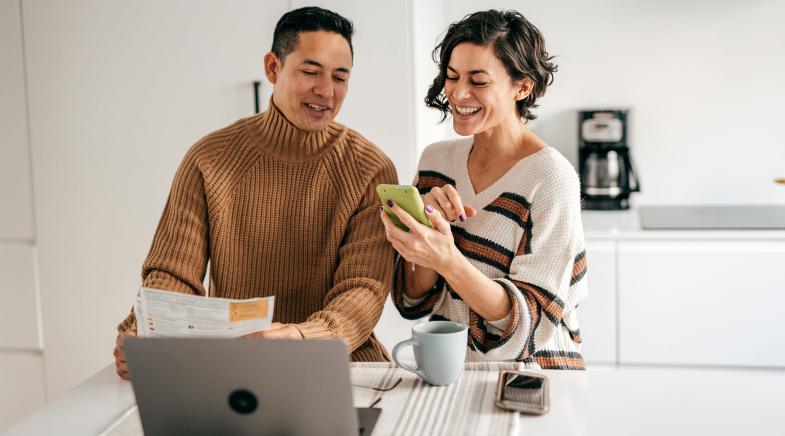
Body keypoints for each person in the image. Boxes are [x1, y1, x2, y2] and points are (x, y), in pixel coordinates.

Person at [114, 6, 398, 379]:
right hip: (236, 367)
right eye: (310, 71)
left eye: (339, 77)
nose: (326, 91)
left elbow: (363, 290)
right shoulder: (208, 159)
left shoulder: (369, 169)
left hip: (340, 366)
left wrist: (301, 337)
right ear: (273, 68)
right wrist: (145, 328)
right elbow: (173, 274)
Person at [380, 10, 588, 369]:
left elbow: (528, 327)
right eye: (451, 76)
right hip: (452, 372)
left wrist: (449, 259)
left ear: (522, 87)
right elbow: (412, 301)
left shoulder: (551, 177)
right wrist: (428, 234)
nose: (458, 93)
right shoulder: (437, 161)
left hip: (532, 378)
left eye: (478, 81)